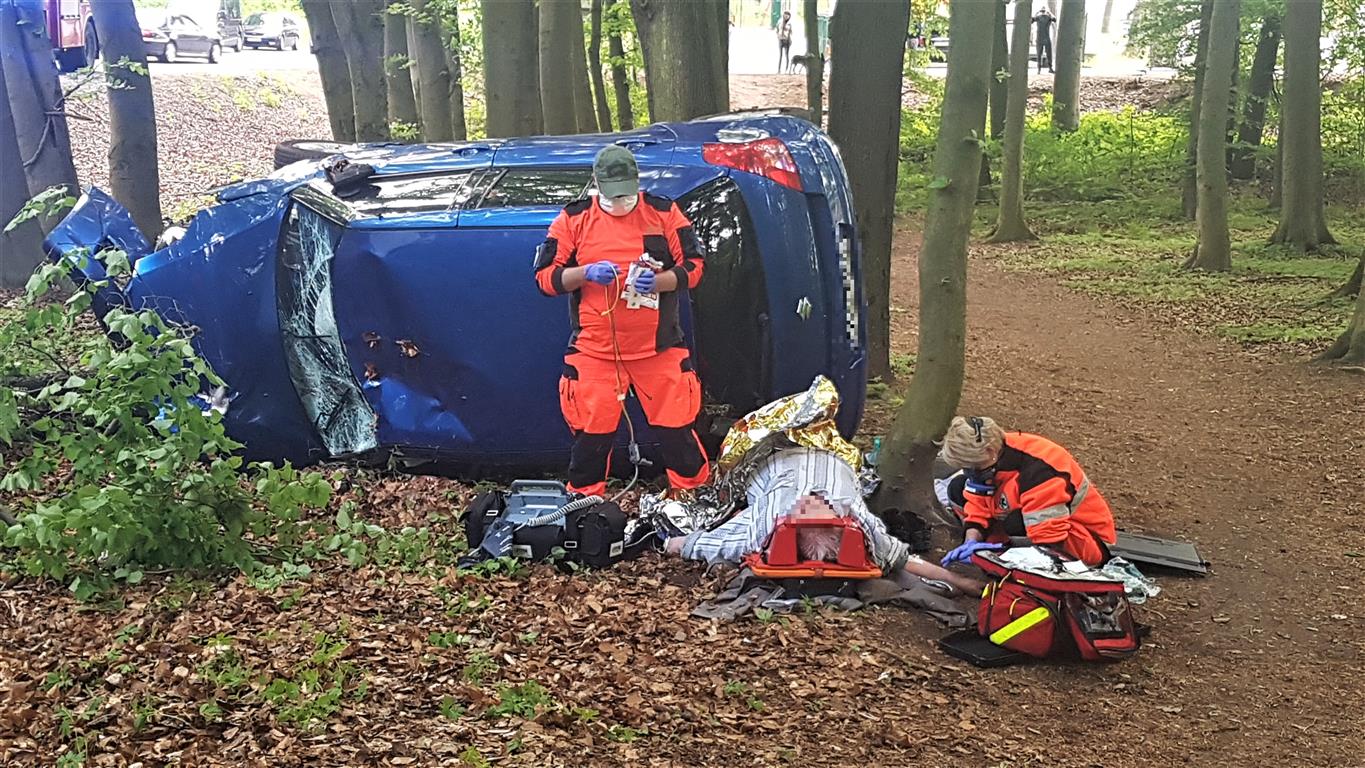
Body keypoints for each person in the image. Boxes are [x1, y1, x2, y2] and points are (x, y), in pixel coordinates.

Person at [534, 146, 710, 499]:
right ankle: (585, 508)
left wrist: (660, 282)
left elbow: (695, 266)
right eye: (613, 196)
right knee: (591, 438)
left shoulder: (664, 212)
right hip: (595, 351)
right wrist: (584, 274)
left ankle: (695, 501)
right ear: (597, 185)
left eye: (627, 194)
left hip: (658, 348)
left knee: (678, 432)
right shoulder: (573, 219)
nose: (620, 202)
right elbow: (545, 278)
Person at [657, 447, 985, 595]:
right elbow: (905, 560)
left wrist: (670, 543)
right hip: (792, 460)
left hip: (798, 461)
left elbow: (693, 544)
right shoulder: (856, 522)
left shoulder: (763, 527)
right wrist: (959, 582)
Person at [938, 416, 1117, 567]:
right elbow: (978, 502)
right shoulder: (989, 458)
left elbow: (1048, 538)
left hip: (1085, 542)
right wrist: (972, 540)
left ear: (990, 451)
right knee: (958, 488)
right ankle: (997, 552)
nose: (971, 472)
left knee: (1016, 523)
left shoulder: (1040, 470)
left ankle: (1006, 558)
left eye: (974, 467)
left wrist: (1000, 552)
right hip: (1033, 523)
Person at [1032, 8, 1056, 73]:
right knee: (1047, 54)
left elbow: (1032, 19)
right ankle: (1048, 68)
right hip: (1045, 38)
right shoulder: (1048, 17)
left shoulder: (1038, 17)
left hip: (1040, 38)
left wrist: (1037, 12)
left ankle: (1040, 69)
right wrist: (1049, 13)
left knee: (1039, 54)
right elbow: (1054, 19)